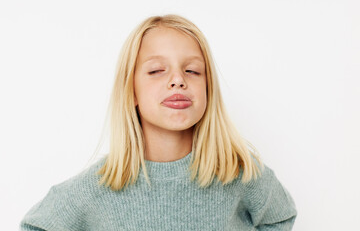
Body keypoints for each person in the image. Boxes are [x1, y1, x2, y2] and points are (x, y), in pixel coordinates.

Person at [20, 14, 297, 231]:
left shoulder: (239, 172)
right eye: (156, 70)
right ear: (131, 92)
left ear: (208, 90)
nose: (178, 79)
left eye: (192, 70)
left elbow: (280, 217)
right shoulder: (97, 187)